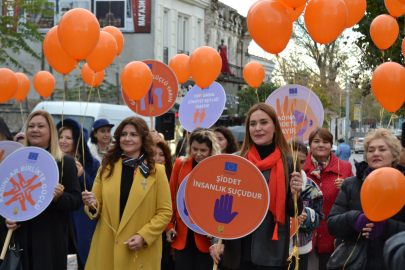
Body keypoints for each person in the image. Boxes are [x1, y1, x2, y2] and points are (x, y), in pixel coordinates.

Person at [210, 103, 304, 270]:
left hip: (270, 251)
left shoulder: (289, 161)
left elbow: (292, 211)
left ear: (275, 126)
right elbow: (219, 202)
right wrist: (217, 241)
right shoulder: (235, 160)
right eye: (252, 124)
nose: (258, 128)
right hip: (235, 249)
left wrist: (296, 194)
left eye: (263, 122)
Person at [82, 116, 172, 270]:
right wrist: (92, 204)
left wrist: (143, 236)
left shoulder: (157, 171)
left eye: (133, 134)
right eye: (124, 134)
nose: (127, 138)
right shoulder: (107, 167)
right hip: (107, 249)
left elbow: (165, 212)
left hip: (139, 252)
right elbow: (97, 205)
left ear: (143, 139)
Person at [3, 110, 82, 269]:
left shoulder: (64, 162)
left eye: (41, 126)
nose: (35, 130)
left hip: (49, 241)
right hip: (20, 238)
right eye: (31, 126)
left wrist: (58, 197)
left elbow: (75, 200)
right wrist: (7, 217)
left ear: (50, 130)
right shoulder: (16, 158)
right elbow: (4, 195)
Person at [327, 129, 405, 270]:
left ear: (394, 156)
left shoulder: (403, 186)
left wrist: (386, 227)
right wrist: (354, 219)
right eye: (371, 150)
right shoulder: (350, 184)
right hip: (355, 263)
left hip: (392, 263)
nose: (376, 153)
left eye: (382, 149)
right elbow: (332, 224)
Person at [165, 128, 221, 270]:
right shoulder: (180, 164)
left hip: (206, 236)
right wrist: (169, 226)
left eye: (203, 150)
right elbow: (171, 198)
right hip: (182, 234)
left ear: (211, 150)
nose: (198, 154)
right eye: (194, 149)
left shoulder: (218, 168)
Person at [303, 127, 353, 270]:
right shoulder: (299, 166)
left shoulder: (344, 167)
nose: (321, 145)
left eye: (325, 142)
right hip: (305, 233)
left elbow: (355, 199)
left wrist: (347, 187)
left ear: (331, 145)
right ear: (310, 145)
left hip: (334, 234)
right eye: (316, 141)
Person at [57, 118, 101, 267]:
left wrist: (81, 175)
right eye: (60, 137)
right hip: (59, 219)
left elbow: (96, 191)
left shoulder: (92, 164)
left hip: (82, 221)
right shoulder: (51, 162)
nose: (63, 141)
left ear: (77, 140)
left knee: (82, 259)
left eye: (68, 138)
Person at [288, 141, 324, 270]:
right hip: (272, 249)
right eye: (292, 160)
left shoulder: (311, 187)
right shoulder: (271, 183)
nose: (297, 166)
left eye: (302, 162)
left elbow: (319, 219)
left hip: (299, 250)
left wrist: (307, 217)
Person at [154, 138, 175, 270]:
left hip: (167, 234)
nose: (157, 158)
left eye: (162, 155)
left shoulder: (173, 178)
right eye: (153, 154)